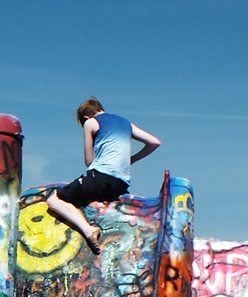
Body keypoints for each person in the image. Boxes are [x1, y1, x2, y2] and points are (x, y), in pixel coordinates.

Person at [45, 98, 161, 254]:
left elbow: (89, 161)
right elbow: (154, 142)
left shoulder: (91, 123)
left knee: (54, 200)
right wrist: (130, 160)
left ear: (86, 117)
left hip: (100, 177)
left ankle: (88, 230)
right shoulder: (126, 123)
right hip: (120, 184)